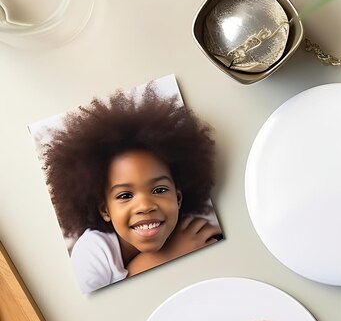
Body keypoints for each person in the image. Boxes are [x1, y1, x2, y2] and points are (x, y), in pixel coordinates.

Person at [39, 83, 221, 293]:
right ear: (105, 210)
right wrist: (164, 257)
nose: (145, 205)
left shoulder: (194, 230)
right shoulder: (91, 253)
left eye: (159, 190)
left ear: (178, 198)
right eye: (125, 195)